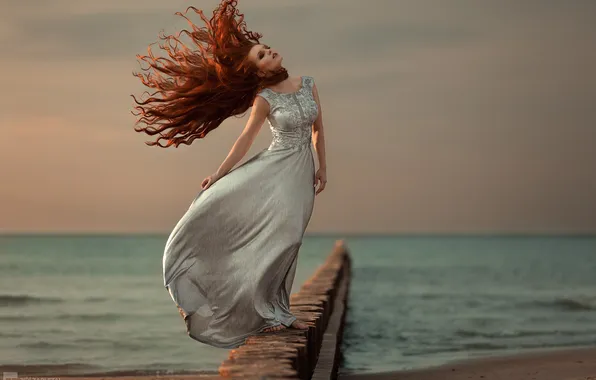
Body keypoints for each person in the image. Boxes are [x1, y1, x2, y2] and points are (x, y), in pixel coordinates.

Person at [131, 0, 327, 349]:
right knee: (286, 237)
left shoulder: (308, 83)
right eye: (263, 56)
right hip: (274, 172)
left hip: (302, 171)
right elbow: (244, 140)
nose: (270, 52)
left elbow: (318, 132)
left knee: (292, 236)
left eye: (266, 49)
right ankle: (274, 313)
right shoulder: (264, 99)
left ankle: (276, 309)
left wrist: (322, 166)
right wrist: (219, 174)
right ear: (260, 72)